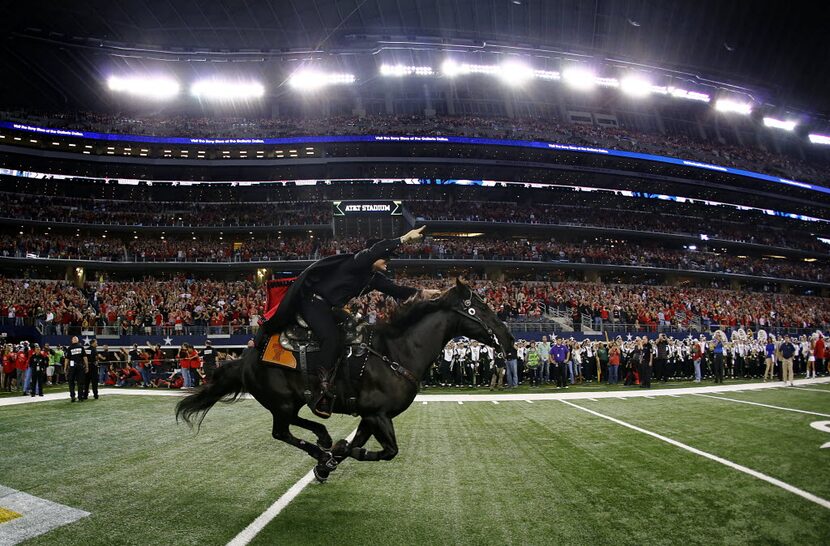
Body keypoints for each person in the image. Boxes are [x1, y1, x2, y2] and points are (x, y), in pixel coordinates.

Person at [261, 225, 440, 418]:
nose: (388, 260)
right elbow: (376, 250)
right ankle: (321, 389)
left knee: (356, 327)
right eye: (385, 257)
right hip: (313, 302)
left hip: (329, 308)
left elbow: (396, 290)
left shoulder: (373, 277)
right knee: (331, 338)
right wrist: (404, 238)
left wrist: (422, 293)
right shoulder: (358, 261)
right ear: (372, 256)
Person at [64, 336, 87, 402]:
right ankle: (80, 397)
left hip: (72, 367)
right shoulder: (81, 347)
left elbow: (67, 359)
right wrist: (87, 366)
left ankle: (73, 396)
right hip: (80, 367)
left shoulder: (70, 348)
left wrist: (65, 367)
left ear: (72, 341)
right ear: (78, 340)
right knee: (80, 382)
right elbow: (85, 357)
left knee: (71, 382)